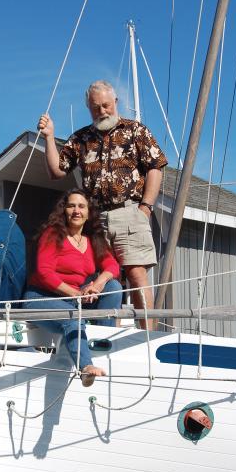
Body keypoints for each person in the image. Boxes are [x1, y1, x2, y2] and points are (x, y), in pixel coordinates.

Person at [37, 80, 168, 330]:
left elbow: (156, 167)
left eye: (106, 105)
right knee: (103, 278)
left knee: (136, 272)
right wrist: (49, 136)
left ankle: (147, 336)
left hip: (129, 211)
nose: (102, 111)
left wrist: (146, 207)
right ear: (89, 108)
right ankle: (105, 333)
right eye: (96, 108)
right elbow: (56, 170)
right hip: (95, 218)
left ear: (115, 102)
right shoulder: (81, 138)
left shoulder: (135, 130)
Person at [24, 188, 122, 387]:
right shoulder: (53, 234)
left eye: (81, 206)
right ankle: (86, 367)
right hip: (42, 298)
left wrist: (97, 284)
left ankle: (101, 351)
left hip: (75, 300)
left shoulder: (93, 239)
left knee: (114, 288)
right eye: (71, 206)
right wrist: (77, 294)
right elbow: (44, 272)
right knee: (73, 318)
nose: (76, 211)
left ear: (88, 212)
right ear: (64, 211)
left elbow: (112, 266)